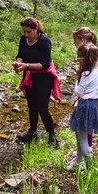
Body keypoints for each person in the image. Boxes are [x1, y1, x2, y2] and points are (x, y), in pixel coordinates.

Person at [13, 17, 62, 147]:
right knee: (31, 105)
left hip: (44, 76)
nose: (26, 35)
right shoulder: (24, 39)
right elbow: (20, 54)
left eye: (29, 32)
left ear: (36, 29)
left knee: (42, 107)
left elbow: (45, 65)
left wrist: (26, 66)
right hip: (30, 75)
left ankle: (52, 135)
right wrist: (19, 63)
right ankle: (32, 132)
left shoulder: (44, 41)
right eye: (24, 31)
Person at [68, 42, 98, 170]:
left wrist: (78, 75)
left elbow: (78, 91)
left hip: (84, 106)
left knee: (82, 136)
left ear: (83, 59)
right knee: (81, 134)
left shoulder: (85, 74)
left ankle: (89, 166)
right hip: (94, 105)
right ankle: (78, 160)